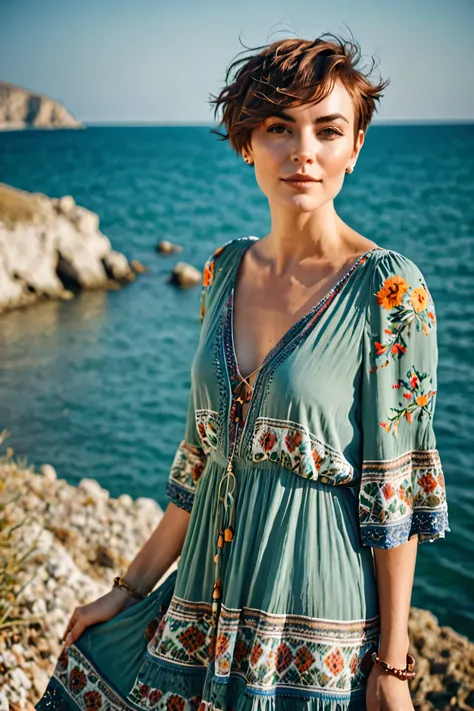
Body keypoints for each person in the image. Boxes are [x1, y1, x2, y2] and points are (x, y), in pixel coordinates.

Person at [36, 32, 450, 711]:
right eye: (280, 127)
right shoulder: (223, 271)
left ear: (356, 146)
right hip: (199, 602)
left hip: (313, 620)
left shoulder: (389, 290)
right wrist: (129, 588)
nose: (304, 152)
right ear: (247, 140)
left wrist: (393, 666)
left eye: (328, 129)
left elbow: (395, 493)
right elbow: (201, 458)